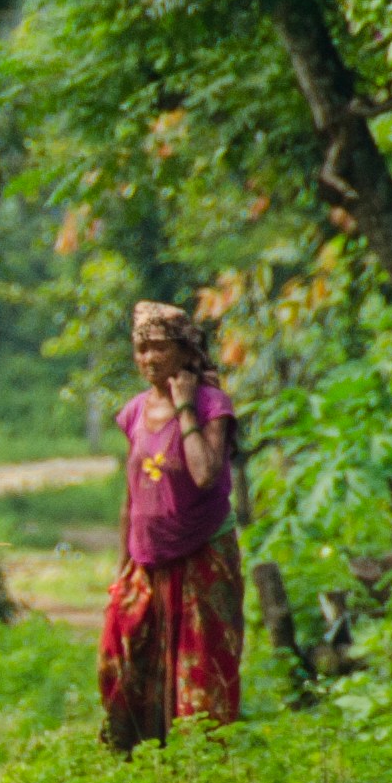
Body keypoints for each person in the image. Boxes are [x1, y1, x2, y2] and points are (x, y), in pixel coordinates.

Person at [103, 299, 245, 750]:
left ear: (185, 352)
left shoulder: (211, 405)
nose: (147, 359)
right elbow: (131, 496)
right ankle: (137, 755)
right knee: (121, 655)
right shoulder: (133, 412)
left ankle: (199, 765)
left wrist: (185, 408)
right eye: (140, 348)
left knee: (201, 667)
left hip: (202, 552)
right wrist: (123, 566)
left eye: (158, 347)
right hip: (147, 557)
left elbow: (205, 474)